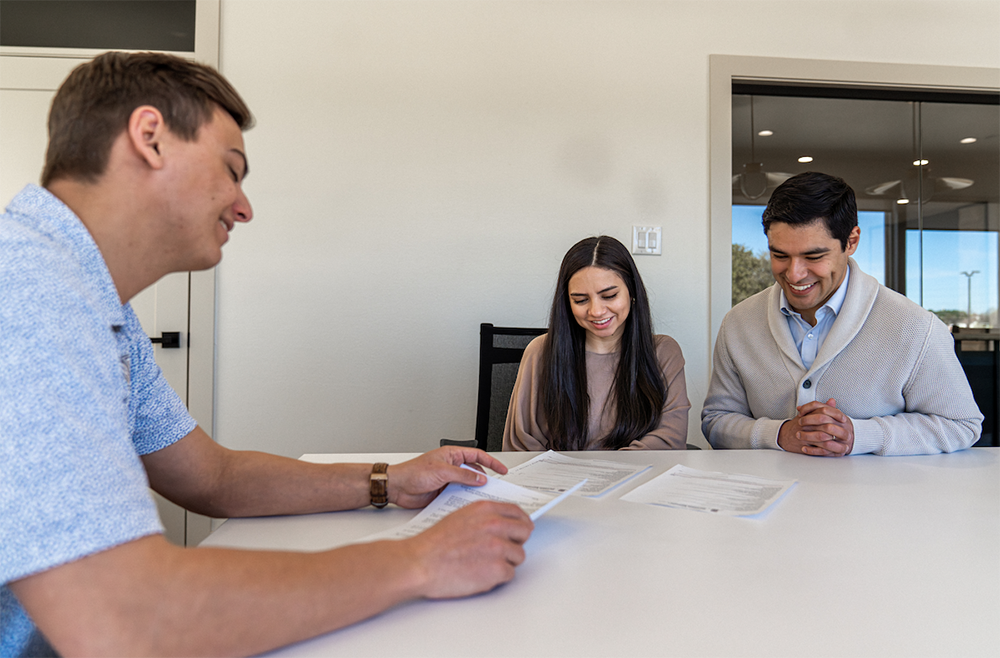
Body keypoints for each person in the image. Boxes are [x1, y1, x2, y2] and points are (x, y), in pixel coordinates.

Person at [0, 52, 533, 658]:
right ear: (150, 137)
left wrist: (390, 481)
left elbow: (213, 478)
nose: (243, 206)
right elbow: (127, 619)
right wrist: (420, 560)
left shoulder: (95, 307)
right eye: (232, 170)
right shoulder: (27, 288)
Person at [702, 171, 983, 456]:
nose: (794, 274)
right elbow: (715, 422)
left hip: (874, 499)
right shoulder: (737, 323)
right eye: (780, 255)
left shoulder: (916, 328)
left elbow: (961, 424)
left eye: (813, 257)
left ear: (851, 241)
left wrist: (859, 436)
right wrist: (779, 434)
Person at [503, 235, 690, 450]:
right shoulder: (539, 352)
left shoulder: (663, 352)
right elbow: (520, 446)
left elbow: (669, 440)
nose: (596, 311)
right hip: (557, 481)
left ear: (632, 292)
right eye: (580, 300)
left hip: (637, 479)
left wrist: (608, 476)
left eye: (609, 296)